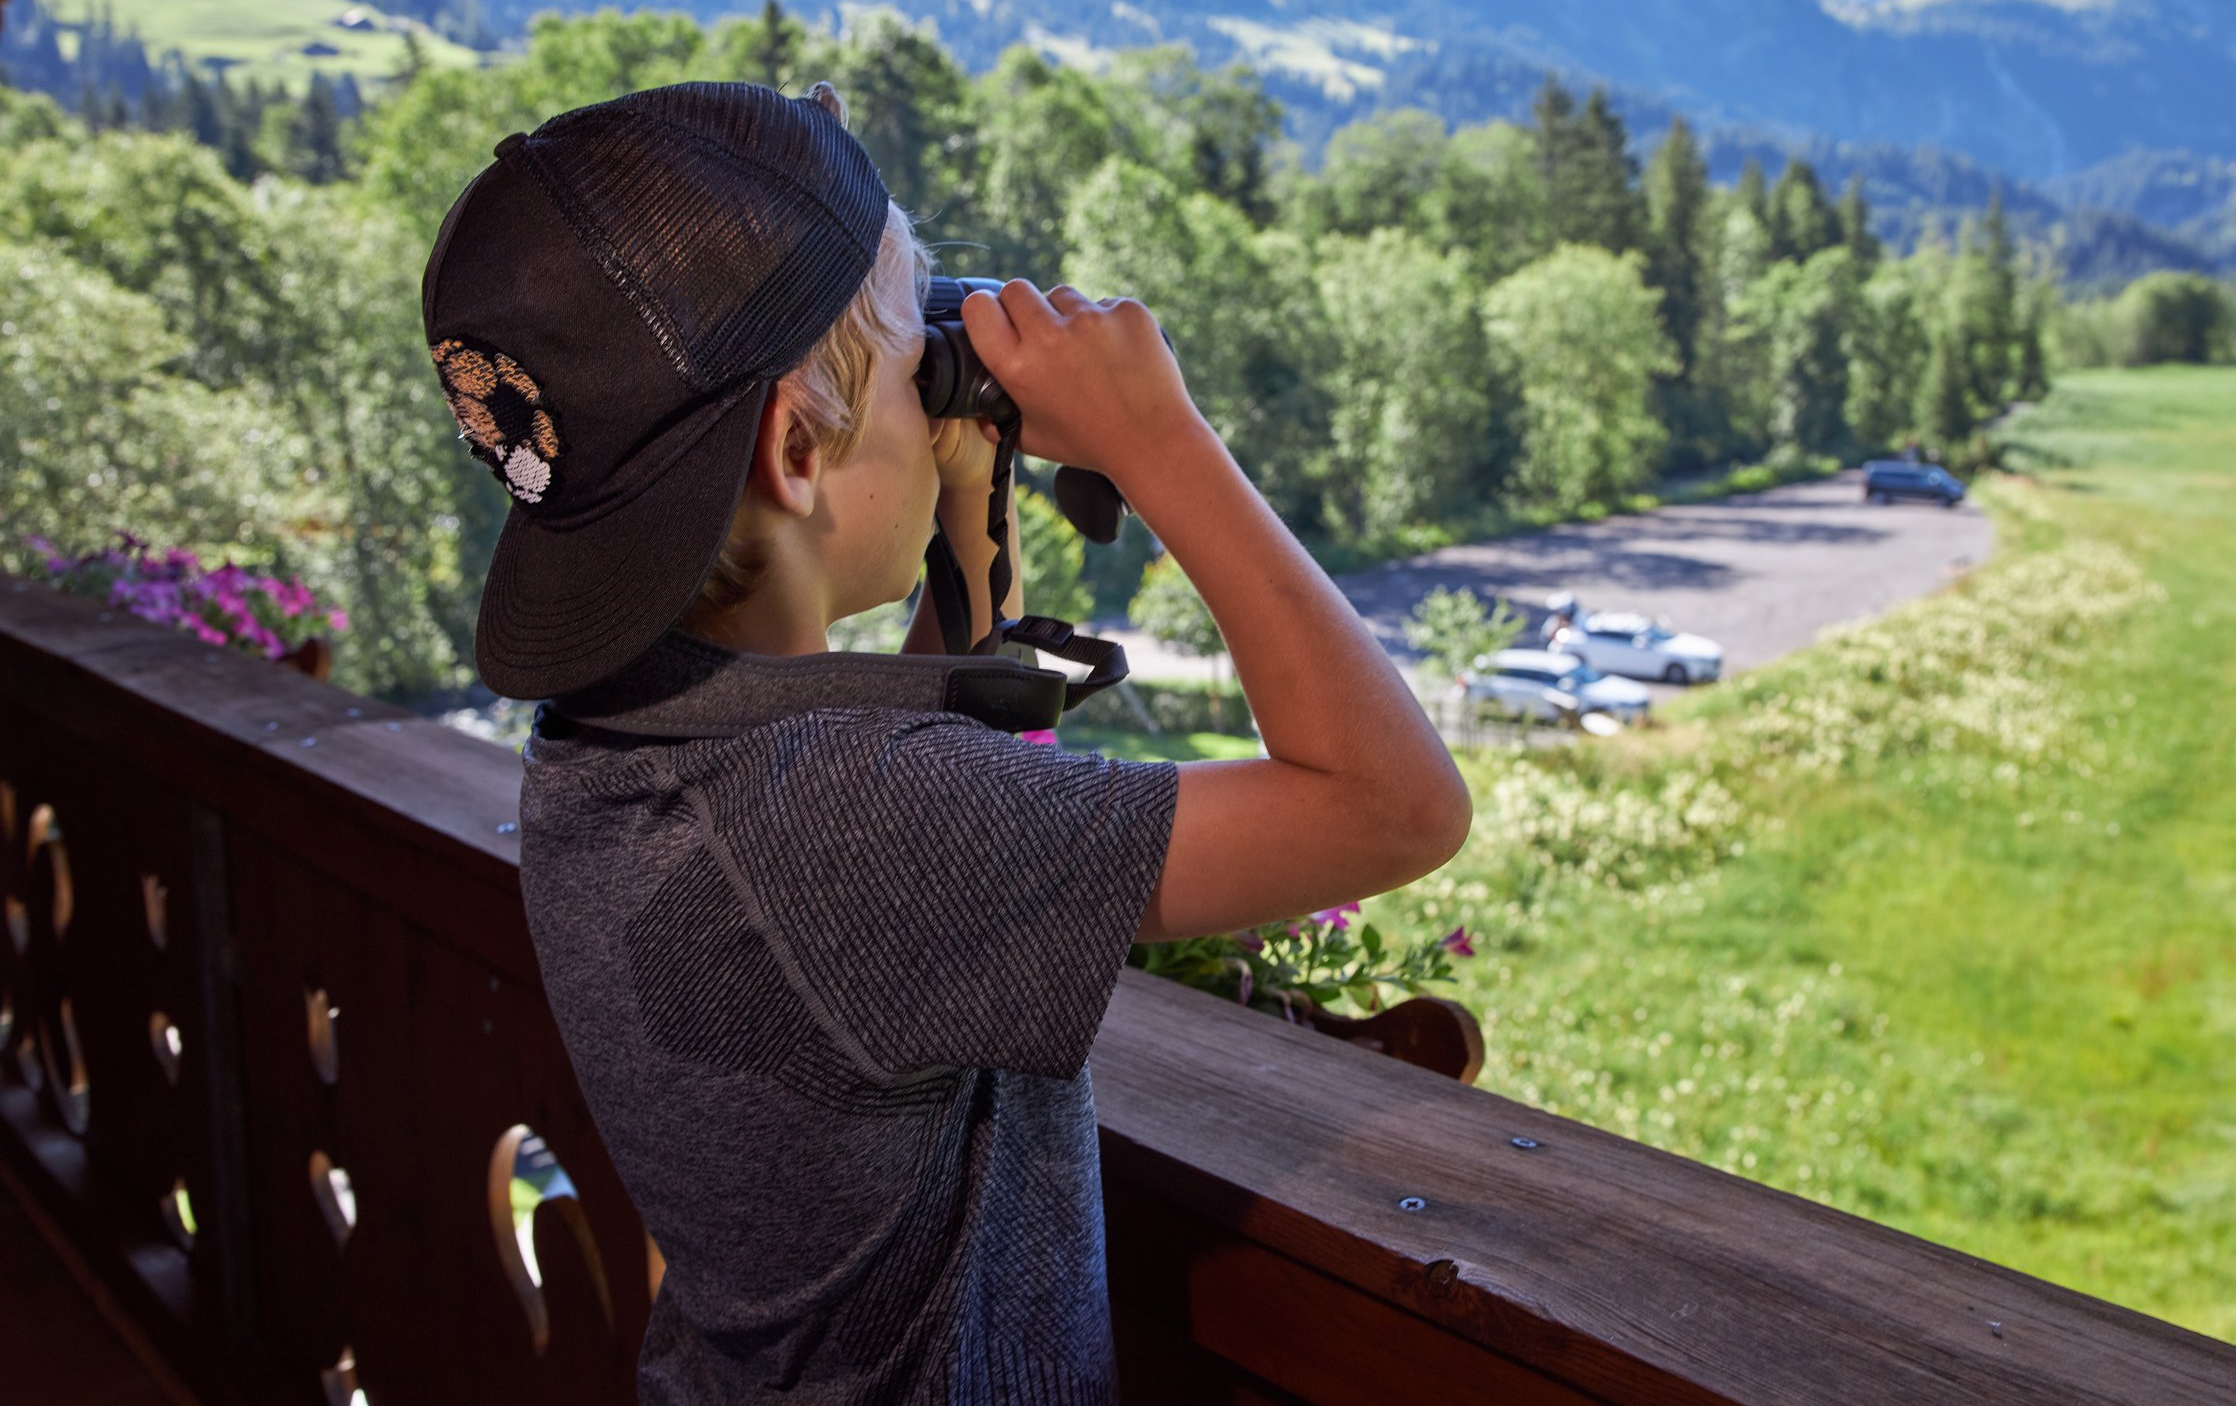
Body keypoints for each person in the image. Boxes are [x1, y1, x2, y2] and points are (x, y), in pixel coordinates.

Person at [420, 80, 1469, 1403]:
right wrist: (1162, 441)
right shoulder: (855, 824)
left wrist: (965, 486)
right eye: (914, 357)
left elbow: (905, 766)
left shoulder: (619, 750)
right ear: (796, 448)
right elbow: (1394, 807)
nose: (942, 371)